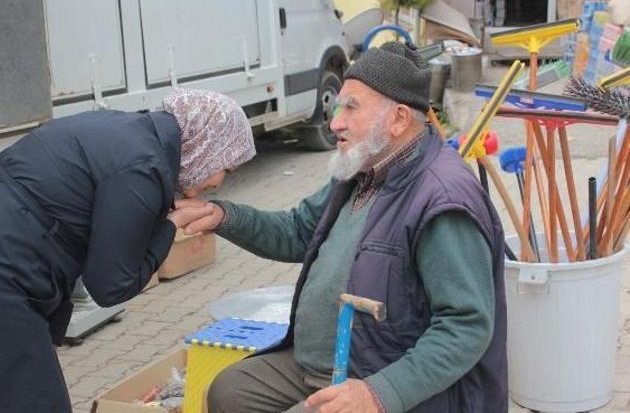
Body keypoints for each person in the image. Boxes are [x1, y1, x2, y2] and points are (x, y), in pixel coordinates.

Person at [176, 42, 507, 413]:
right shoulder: (361, 167)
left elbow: (466, 326)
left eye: (351, 107)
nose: (335, 122)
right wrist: (225, 217)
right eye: (338, 107)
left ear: (398, 119)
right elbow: (298, 231)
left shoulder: (442, 199)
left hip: (379, 371)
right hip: (321, 361)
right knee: (232, 391)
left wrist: (379, 393)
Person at [0, 88, 256, 413]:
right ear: (207, 144)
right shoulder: (143, 166)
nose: (219, 182)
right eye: (226, 167)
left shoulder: (126, 131)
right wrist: (171, 225)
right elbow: (112, 285)